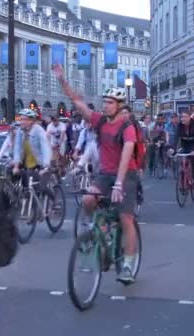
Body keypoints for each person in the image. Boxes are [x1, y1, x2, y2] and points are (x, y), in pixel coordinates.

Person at [54, 64, 140, 284]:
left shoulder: (127, 127)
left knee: (126, 218)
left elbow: (125, 156)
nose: (106, 105)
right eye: (105, 102)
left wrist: (119, 185)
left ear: (120, 106)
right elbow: (78, 103)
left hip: (126, 175)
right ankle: (93, 229)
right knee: (88, 199)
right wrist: (63, 81)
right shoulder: (100, 121)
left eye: (110, 102)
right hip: (105, 173)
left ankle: (129, 264)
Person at [12, 109, 53, 197]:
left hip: (40, 163)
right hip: (27, 164)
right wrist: (16, 165)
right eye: (21, 119)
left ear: (31, 121)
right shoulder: (20, 131)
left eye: (24, 119)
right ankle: (32, 208)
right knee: (28, 189)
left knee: (42, 188)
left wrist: (46, 165)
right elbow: (17, 148)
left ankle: (55, 203)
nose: (22, 122)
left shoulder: (39, 130)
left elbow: (45, 148)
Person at [176, 112, 194, 183]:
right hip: (185, 145)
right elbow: (176, 137)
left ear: (189, 117)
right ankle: (183, 182)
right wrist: (172, 149)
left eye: (185, 117)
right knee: (183, 163)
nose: (183, 119)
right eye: (181, 117)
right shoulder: (180, 125)